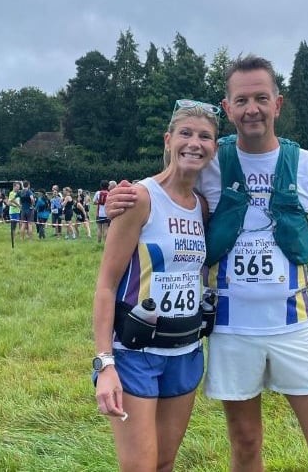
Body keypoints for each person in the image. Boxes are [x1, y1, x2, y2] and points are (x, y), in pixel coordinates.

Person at [108, 55, 308, 471]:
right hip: (231, 329)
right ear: (229, 106)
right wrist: (115, 197)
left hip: (294, 324)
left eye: (261, 97)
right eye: (241, 100)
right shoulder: (212, 161)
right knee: (246, 443)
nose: (252, 108)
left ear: (278, 103)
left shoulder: (306, 165)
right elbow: (168, 184)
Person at [92, 99, 219, 470]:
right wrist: (105, 365)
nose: (194, 143)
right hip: (136, 355)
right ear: (168, 140)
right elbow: (105, 285)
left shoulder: (202, 205)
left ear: (214, 148)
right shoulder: (139, 199)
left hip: (185, 351)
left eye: (205, 137)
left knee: (165, 464)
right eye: (185, 133)